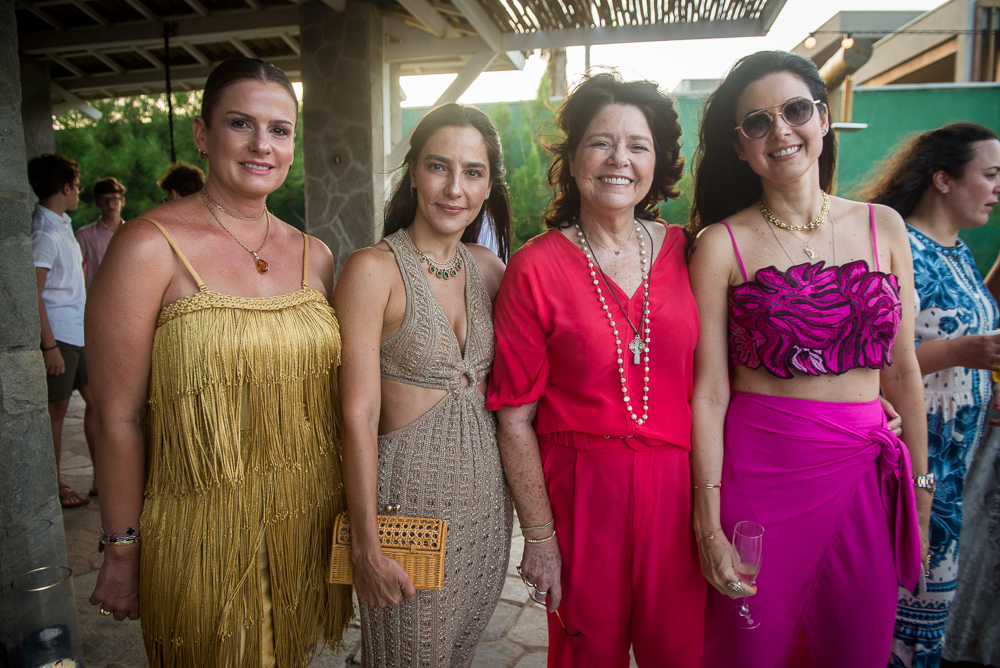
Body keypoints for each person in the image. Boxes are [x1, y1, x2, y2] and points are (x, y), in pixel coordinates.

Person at [86, 58, 351, 664]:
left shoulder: (316, 257)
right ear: (204, 136)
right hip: (201, 536)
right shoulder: (148, 246)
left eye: (280, 130)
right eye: (241, 124)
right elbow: (115, 416)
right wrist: (121, 548)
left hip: (302, 527)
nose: (263, 145)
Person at [686, 51, 929, 668]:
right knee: (751, 653)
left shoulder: (885, 227)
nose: (781, 131)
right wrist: (708, 522)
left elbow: (903, 371)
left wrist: (921, 493)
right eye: (758, 123)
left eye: (795, 110)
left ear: (822, 118)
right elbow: (710, 393)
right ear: (741, 148)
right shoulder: (720, 245)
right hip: (759, 486)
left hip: (864, 482)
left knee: (858, 649)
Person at [488, 73, 706, 666]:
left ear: (656, 161)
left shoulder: (691, 252)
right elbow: (514, 419)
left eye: (637, 144)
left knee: (682, 653)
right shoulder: (534, 267)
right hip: (581, 492)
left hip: (678, 491)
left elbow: (728, 376)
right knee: (587, 657)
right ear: (574, 157)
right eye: (600, 142)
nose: (619, 159)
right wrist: (539, 537)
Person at [334, 103, 513, 667]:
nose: (454, 188)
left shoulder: (489, 270)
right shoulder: (373, 270)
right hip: (405, 510)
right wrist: (366, 542)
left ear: (488, 185)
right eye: (439, 167)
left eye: (473, 172)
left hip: (486, 509)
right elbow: (357, 415)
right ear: (413, 172)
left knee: (456, 656)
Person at [864, 123, 1000, 668]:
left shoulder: (959, 253)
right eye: (989, 175)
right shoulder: (903, 253)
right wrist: (961, 351)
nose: (997, 187)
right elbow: (870, 369)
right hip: (916, 465)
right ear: (943, 178)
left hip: (960, 466)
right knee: (903, 617)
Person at [27, 153, 97, 508]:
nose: (79, 193)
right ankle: (53, 483)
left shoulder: (61, 224)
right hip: (60, 337)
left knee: (98, 404)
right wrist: (49, 346)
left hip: (79, 332)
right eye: (77, 187)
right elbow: (33, 294)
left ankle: (102, 478)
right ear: (66, 187)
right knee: (56, 412)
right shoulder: (43, 234)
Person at [76, 176, 126, 291]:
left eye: (114, 199)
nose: (110, 204)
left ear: (122, 201)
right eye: (104, 200)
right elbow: (76, 273)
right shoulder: (84, 236)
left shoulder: (134, 233)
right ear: (96, 203)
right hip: (97, 298)